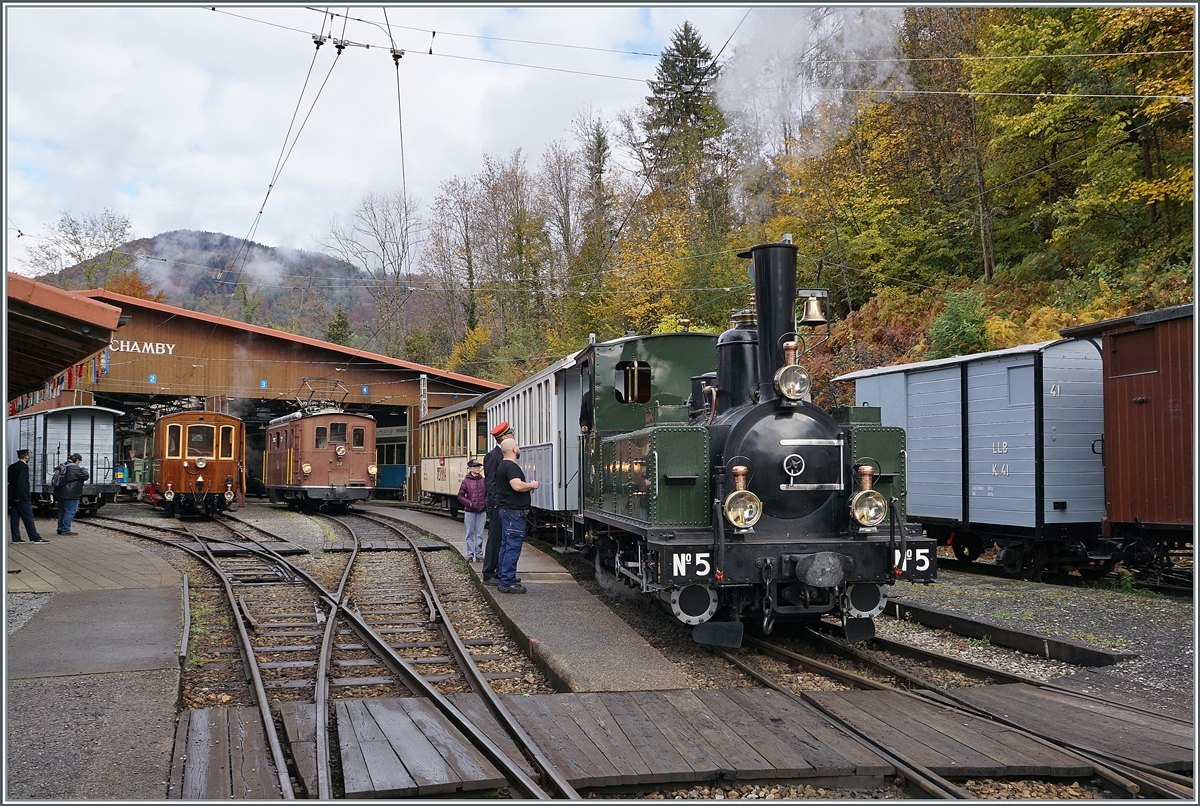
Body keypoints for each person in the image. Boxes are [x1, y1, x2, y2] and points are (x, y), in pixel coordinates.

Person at [495, 437, 539, 594]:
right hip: (514, 512)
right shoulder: (511, 467)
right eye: (518, 446)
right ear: (514, 450)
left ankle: (503, 575)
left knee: (505, 546)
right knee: (512, 547)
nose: (519, 448)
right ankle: (507, 581)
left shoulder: (501, 466)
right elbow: (516, 485)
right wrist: (531, 485)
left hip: (506, 510)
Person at [481, 421, 514, 586]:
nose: (513, 436)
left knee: (503, 539)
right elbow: (490, 482)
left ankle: (500, 571)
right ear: (504, 437)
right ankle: (488, 572)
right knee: (495, 539)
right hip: (498, 505)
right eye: (511, 434)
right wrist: (495, 504)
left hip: (504, 504)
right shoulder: (493, 456)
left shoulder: (504, 455)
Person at [8, 449, 48, 544]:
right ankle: (35, 537)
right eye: (28, 455)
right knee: (28, 516)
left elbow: (10, 481)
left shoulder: (11, 467)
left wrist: (13, 495)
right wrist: (18, 496)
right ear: (26, 456)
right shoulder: (24, 467)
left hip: (13, 495)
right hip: (22, 496)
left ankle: (16, 538)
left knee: (15, 517)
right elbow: (21, 483)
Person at [456, 459, 487, 562]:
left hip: (481, 510)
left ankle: (478, 554)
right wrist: (469, 503)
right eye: (475, 466)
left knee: (479, 533)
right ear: (470, 468)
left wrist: (485, 503)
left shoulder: (483, 481)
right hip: (470, 511)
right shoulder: (466, 481)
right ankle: (470, 554)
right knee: (469, 533)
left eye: (478, 466)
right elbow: (460, 496)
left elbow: (488, 494)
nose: (477, 468)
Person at [55, 453, 89, 535]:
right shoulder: (75, 468)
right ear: (77, 460)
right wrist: (84, 470)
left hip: (60, 492)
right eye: (79, 461)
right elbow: (85, 476)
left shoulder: (63, 465)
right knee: (70, 511)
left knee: (62, 510)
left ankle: (60, 527)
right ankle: (66, 529)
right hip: (71, 493)